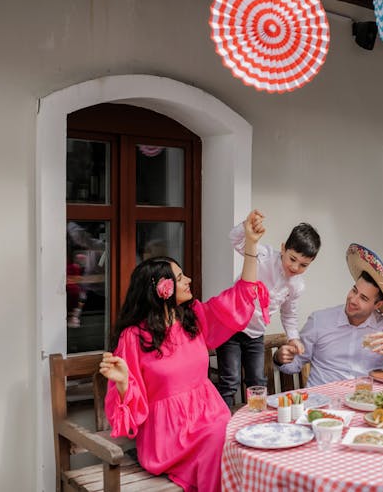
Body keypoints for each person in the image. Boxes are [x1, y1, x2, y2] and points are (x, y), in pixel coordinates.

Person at [99, 211, 268, 492]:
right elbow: (131, 409)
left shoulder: (193, 319)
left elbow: (239, 296)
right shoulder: (134, 337)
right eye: (179, 277)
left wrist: (251, 245)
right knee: (222, 441)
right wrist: (122, 382)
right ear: (162, 290)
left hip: (211, 418)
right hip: (169, 436)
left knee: (241, 439)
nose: (188, 279)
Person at [216, 210, 321, 408]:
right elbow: (235, 240)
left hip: (256, 335)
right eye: (292, 259)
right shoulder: (263, 255)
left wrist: (294, 338)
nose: (296, 267)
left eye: (304, 265)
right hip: (230, 328)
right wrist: (247, 225)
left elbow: (289, 314)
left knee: (258, 381)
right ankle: (223, 426)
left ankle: (257, 424)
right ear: (283, 248)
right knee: (230, 381)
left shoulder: (296, 285)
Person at [274, 243, 383, 387]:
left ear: (378, 305)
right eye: (354, 290)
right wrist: (279, 357)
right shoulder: (319, 320)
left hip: (363, 402)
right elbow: (294, 365)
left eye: (363, 298)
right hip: (320, 403)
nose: (353, 299)